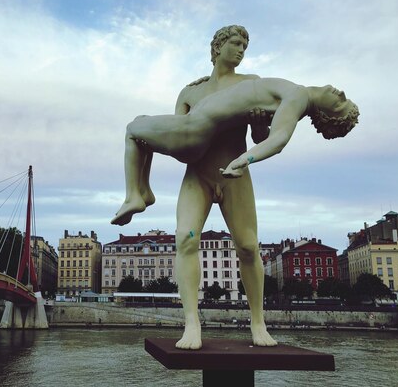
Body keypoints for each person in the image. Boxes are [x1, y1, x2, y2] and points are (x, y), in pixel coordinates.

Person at [112, 25, 358, 350]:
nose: (241, 50)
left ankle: (258, 323)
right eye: (236, 43)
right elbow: (180, 137)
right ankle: (191, 324)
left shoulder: (252, 83)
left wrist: (257, 124)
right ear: (217, 47)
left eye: (245, 45)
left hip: (234, 175)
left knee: (248, 247)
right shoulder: (189, 92)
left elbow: (262, 138)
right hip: (197, 174)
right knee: (185, 240)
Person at [112, 77, 358, 220]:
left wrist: (244, 160)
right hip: (193, 129)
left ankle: (133, 195)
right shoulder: (295, 95)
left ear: (326, 116)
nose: (342, 93)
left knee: (132, 130)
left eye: (341, 103)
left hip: (193, 130)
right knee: (141, 120)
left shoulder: (298, 98)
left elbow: (279, 138)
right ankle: (143, 191)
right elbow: (266, 134)